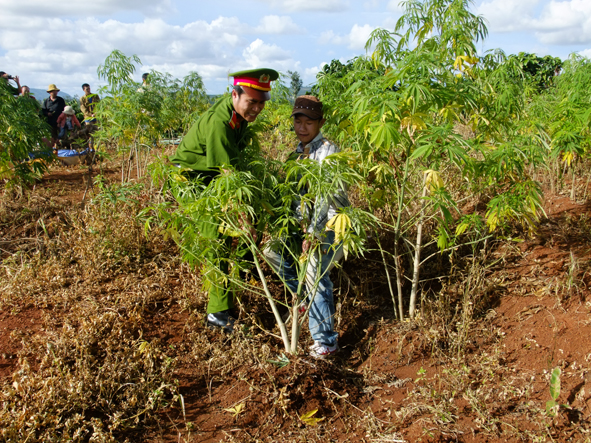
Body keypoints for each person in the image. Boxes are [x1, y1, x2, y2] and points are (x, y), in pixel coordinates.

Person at [170, 68, 279, 332]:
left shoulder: (236, 114)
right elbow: (228, 180)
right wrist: (242, 218)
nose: (256, 109)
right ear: (235, 94)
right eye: (251, 102)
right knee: (216, 238)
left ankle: (241, 274)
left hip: (213, 176)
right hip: (192, 182)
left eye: (261, 103)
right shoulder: (220, 124)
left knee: (255, 214)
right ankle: (217, 313)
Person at [264, 95, 349, 359]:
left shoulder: (328, 151)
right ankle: (303, 300)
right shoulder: (295, 154)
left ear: (321, 122)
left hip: (332, 224)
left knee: (312, 267)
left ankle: (326, 341)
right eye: (298, 121)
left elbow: (325, 200)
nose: (302, 127)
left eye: (309, 123)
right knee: (270, 251)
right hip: (302, 225)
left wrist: (313, 233)